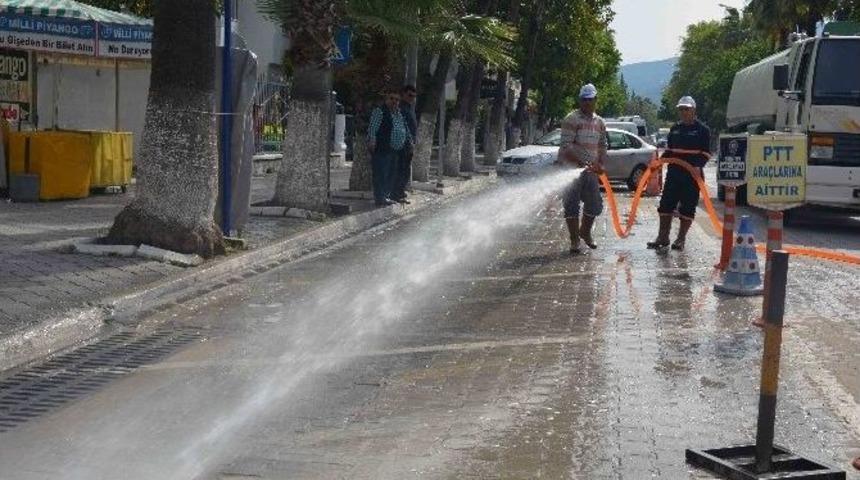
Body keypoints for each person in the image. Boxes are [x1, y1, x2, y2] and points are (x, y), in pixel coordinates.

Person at [647, 96, 711, 251]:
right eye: (681, 109)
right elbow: (670, 151)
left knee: (688, 207)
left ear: (693, 110)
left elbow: (707, 153)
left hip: (692, 175)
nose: (683, 112)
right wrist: (658, 163)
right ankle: (662, 237)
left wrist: (697, 165)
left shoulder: (702, 130)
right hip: (674, 174)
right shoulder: (675, 128)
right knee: (665, 205)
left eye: (686, 109)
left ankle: (681, 239)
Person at [558, 83, 608, 254]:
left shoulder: (600, 122)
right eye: (584, 100)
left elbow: (602, 145)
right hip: (571, 170)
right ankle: (574, 240)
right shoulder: (571, 119)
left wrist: (600, 164)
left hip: (591, 171)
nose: (587, 103)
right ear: (580, 100)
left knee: (594, 204)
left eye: (590, 100)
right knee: (571, 205)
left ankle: (585, 232)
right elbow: (566, 146)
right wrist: (580, 162)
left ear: (596, 100)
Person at [368, 87, 413, 206]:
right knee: (381, 173)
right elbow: (373, 127)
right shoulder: (380, 111)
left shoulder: (399, 113)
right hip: (382, 148)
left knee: (391, 174)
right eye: (391, 98)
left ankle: (386, 196)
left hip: (396, 150)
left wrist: (410, 142)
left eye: (397, 99)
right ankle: (380, 198)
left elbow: (406, 129)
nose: (394, 101)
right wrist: (372, 140)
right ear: (386, 99)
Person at [392, 85, 418, 204]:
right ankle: (396, 194)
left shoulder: (409, 108)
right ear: (403, 94)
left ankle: (400, 192)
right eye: (409, 95)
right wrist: (408, 142)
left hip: (409, 144)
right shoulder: (401, 109)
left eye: (413, 96)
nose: (411, 98)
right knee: (401, 169)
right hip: (402, 144)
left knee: (405, 170)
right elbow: (403, 128)